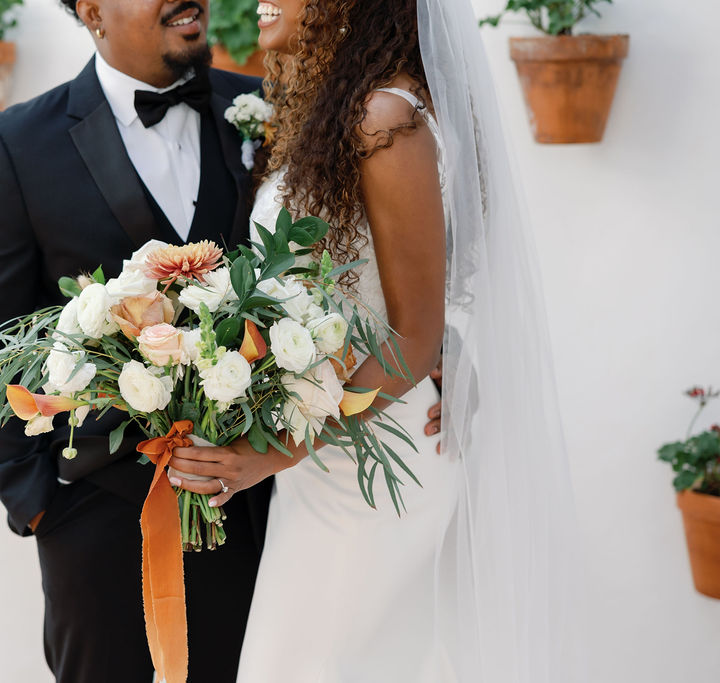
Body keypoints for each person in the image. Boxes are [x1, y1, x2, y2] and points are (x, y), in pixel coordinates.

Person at [170, 1, 584, 682]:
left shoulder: (386, 118)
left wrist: (271, 451)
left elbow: (414, 335)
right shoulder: (337, 109)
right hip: (329, 455)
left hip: (378, 460)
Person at [0, 1, 273, 680]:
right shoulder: (19, 144)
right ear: (93, 10)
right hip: (97, 531)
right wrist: (40, 504)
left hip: (259, 515)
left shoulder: (266, 111)